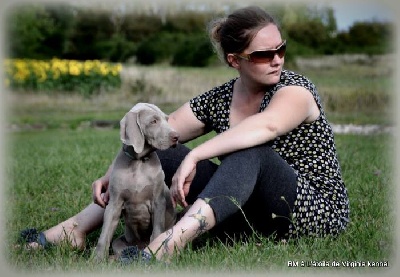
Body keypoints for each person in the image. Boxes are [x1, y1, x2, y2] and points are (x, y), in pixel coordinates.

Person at [20, 6, 350, 263]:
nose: (277, 60)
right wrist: (112, 173)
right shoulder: (221, 97)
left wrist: (197, 154)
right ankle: (77, 228)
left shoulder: (296, 90)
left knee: (254, 152)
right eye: (264, 54)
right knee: (161, 149)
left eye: (281, 49)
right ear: (235, 60)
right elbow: (165, 129)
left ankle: (167, 245)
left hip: (312, 212)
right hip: (246, 213)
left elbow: (267, 127)